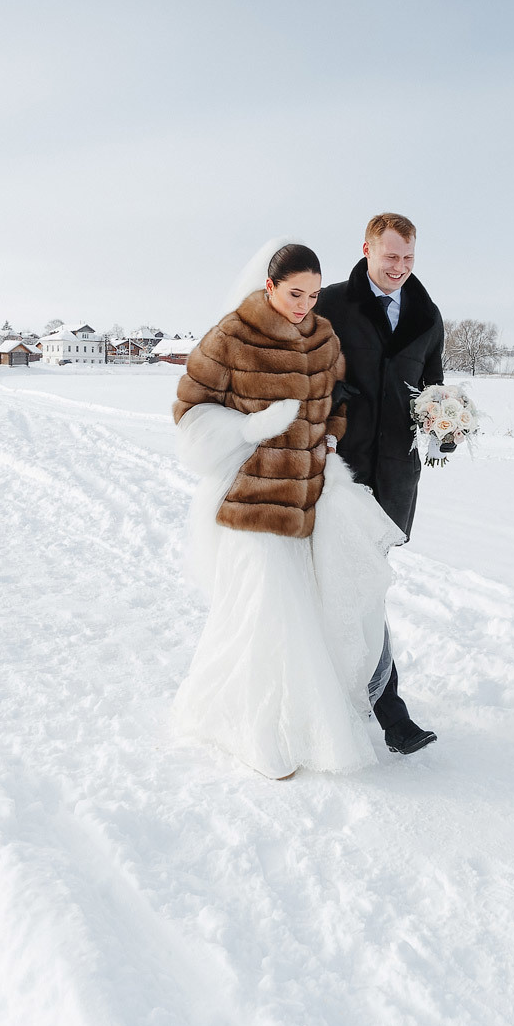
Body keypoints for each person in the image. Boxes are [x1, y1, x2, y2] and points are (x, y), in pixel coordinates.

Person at [172, 241, 404, 779]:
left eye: (314, 295)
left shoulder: (325, 339)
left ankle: (299, 728)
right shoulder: (230, 336)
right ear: (270, 286)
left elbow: (335, 405)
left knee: (304, 616)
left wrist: (328, 440)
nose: (304, 305)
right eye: (294, 292)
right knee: (264, 614)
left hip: (308, 501)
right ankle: (257, 735)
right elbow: (190, 410)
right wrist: (250, 429)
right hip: (251, 498)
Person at [313, 213, 442, 755]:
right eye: (390, 256)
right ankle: (389, 710)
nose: (400, 268)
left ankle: (350, 694)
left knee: (363, 589)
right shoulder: (333, 304)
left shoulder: (427, 314)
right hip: (340, 471)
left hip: (396, 477)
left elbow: (431, 384)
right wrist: (334, 402)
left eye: (409, 258)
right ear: (366, 248)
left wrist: (444, 426)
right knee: (354, 588)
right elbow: (306, 371)